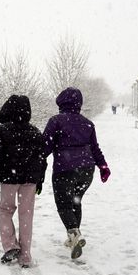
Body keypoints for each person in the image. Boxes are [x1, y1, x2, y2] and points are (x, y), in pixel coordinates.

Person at [42, 87, 110, 259]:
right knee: (75, 201)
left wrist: (34, 158)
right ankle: (73, 237)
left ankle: (74, 234)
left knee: (64, 204)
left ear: (61, 103)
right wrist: (103, 166)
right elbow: (95, 148)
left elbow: (45, 147)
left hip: (65, 169)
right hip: (86, 170)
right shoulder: (88, 123)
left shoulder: (56, 121)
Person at [0, 95, 47, 268]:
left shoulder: (2, 131)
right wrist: (39, 180)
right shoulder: (35, 132)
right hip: (30, 181)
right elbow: (42, 159)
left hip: (9, 179)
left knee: (5, 210)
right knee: (26, 215)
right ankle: (25, 256)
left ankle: (10, 246)